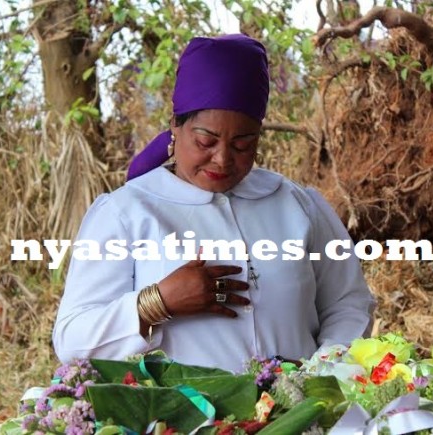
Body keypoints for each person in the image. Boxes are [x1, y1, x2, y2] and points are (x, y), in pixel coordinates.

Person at [52, 34, 375, 373]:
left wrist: (322, 371)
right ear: (175, 126)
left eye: (242, 143)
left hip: (302, 415)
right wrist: (157, 302)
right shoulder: (126, 213)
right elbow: (72, 342)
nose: (222, 159)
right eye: (206, 140)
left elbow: (348, 302)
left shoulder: (296, 204)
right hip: (184, 422)